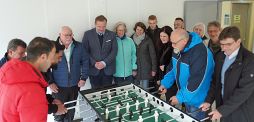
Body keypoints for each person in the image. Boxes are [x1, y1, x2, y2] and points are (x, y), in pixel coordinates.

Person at [199, 26, 254, 122]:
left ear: (238, 41)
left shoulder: (250, 60)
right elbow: (215, 81)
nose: (224, 48)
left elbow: (243, 91)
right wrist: (208, 101)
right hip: (224, 106)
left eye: (228, 44)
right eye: (222, 44)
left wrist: (221, 111)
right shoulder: (221, 56)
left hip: (241, 111)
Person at [158, 29, 214, 120]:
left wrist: (180, 97)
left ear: (184, 41)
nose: (172, 46)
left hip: (198, 101)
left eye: (174, 43)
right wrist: (165, 83)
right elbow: (172, 68)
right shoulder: (178, 48)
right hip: (186, 95)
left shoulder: (201, 52)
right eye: (171, 42)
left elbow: (197, 80)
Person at [0, 37, 56, 122]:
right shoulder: (33, 90)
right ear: (43, 57)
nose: (52, 61)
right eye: (52, 57)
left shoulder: (9, 74)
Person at [49, 26, 89, 122]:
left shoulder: (79, 46)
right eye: (66, 35)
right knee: (58, 113)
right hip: (58, 86)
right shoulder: (52, 47)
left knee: (70, 111)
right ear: (60, 35)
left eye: (70, 35)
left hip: (74, 85)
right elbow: (46, 67)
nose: (69, 37)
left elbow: (85, 62)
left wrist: (83, 78)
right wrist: (50, 82)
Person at [82, 15, 118, 88]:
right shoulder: (87, 34)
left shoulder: (111, 35)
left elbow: (114, 50)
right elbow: (84, 51)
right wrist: (94, 63)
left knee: (107, 93)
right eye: (99, 26)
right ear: (95, 24)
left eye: (104, 26)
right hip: (93, 70)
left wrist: (104, 63)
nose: (101, 29)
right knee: (95, 94)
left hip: (108, 69)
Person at [41, 41, 67, 115]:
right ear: (50, 56)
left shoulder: (45, 70)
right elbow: (33, 104)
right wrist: (55, 109)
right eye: (59, 57)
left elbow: (39, 94)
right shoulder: (33, 75)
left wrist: (50, 99)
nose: (60, 60)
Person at [130, 22, 157, 91]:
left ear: (144, 30)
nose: (139, 31)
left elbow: (153, 55)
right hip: (135, 68)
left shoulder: (148, 40)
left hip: (146, 69)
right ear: (135, 29)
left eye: (141, 30)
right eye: (137, 29)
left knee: (145, 89)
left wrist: (154, 69)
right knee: (135, 89)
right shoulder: (130, 40)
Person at [156, 26, 177, 101]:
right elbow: (159, 63)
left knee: (170, 99)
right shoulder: (161, 46)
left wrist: (165, 67)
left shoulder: (174, 48)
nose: (162, 38)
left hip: (172, 80)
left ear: (170, 36)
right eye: (161, 36)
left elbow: (175, 65)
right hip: (164, 78)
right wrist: (159, 79)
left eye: (164, 36)